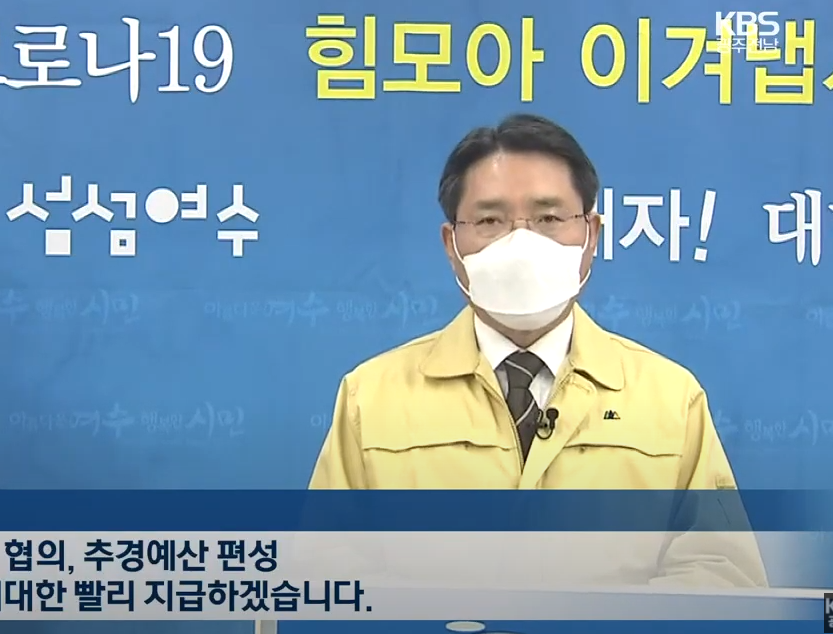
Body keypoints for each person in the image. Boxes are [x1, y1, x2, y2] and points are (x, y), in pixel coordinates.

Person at [307, 114, 766, 587]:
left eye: (549, 218)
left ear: (591, 235)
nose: (521, 245)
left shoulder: (670, 398)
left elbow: (723, 575)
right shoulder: (372, 397)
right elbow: (323, 576)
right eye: (490, 220)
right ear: (451, 244)